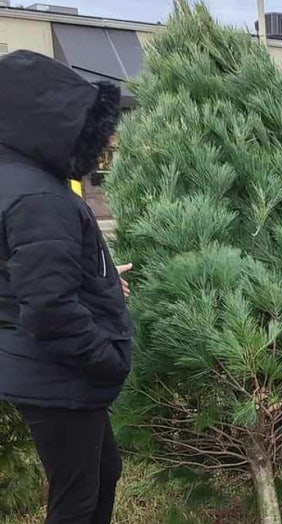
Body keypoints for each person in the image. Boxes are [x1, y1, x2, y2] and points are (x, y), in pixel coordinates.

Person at [0, 50, 133, 524]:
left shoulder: (18, 179)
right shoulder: (38, 195)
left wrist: (100, 279)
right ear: (44, 121)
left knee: (104, 472)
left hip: (48, 369)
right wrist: (105, 359)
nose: (95, 145)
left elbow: (24, 275)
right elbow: (49, 307)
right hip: (61, 374)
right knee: (77, 500)